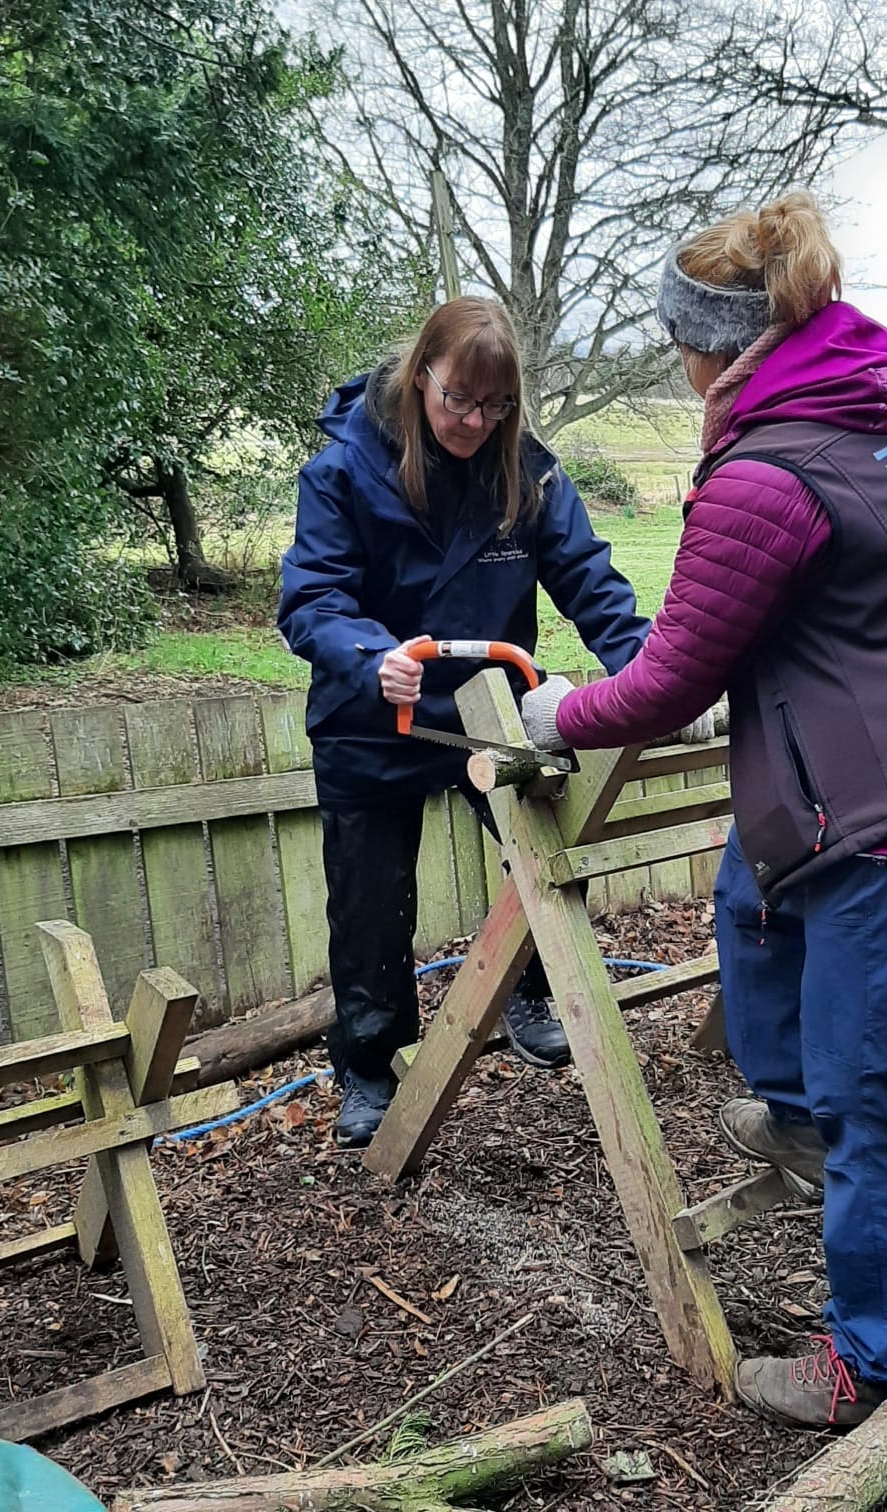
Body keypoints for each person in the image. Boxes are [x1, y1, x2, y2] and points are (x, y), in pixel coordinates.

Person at [518, 194, 887, 1428]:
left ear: (711, 347)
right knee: (757, 884)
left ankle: (875, 1367)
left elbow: (674, 677)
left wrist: (557, 717)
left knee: (880, 1091)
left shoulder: (773, 466)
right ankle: (793, 1117)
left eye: (678, 346)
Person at [278, 296, 653, 1150]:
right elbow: (310, 600)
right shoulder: (345, 470)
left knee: (553, 838)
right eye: (459, 401)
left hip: (490, 704)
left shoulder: (525, 473)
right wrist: (371, 655)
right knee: (370, 906)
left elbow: (591, 582)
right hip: (374, 710)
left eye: (495, 407)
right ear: (422, 379)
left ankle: (528, 989)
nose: (475, 422)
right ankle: (370, 1067)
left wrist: (653, 674)